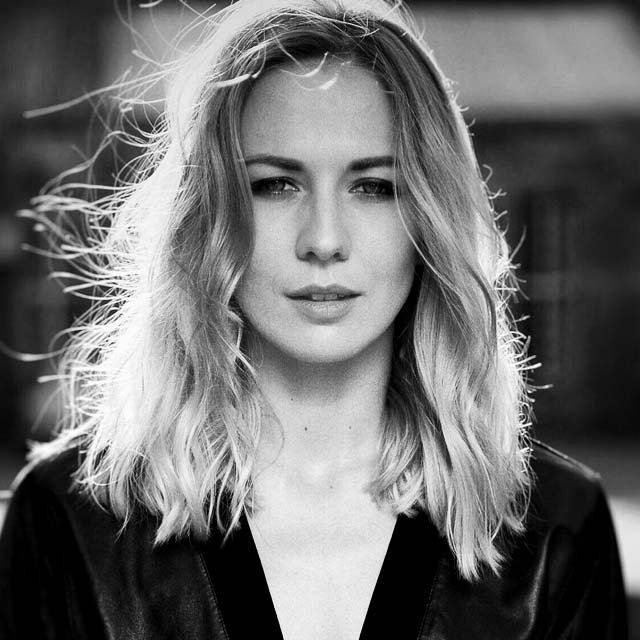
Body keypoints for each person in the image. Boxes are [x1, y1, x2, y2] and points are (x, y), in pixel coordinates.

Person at [0, 0, 628, 638]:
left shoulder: (557, 537)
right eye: (276, 184)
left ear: (430, 221)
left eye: (374, 187)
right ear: (208, 217)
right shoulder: (68, 524)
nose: (324, 240)